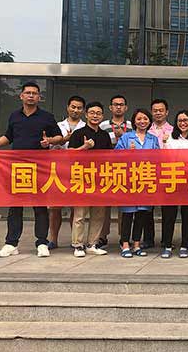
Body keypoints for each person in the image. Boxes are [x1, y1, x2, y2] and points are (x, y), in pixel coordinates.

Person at [0, 82, 63, 258]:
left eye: (34, 93)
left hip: (39, 168)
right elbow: (9, 136)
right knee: (15, 206)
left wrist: (49, 141)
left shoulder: (46, 117)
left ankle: (42, 242)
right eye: (28, 93)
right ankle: (11, 243)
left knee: (40, 206)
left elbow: (59, 137)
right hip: (18, 167)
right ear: (21, 96)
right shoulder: (14, 116)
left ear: (39, 97)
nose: (31, 96)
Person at [67, 101, 112, 258]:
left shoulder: (105, 135)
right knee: (80, 214)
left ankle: (92, 244)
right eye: (92, 113)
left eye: (98, 113)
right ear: (86, 115)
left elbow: (110, 158)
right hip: (82, 178)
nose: (95, 116)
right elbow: (69, 154)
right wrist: (84, 148)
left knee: (98, 214)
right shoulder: (78, 134)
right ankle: (78, 245)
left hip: (100, 178)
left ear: (102, 116)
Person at [115, 108, 160, 258]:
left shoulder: (153, 139)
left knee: (141, 214)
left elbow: (158, 158)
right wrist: (128, 152)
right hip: (129, 180)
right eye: (139, 119)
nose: (142, 121)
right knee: (128, 214)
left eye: (145, 119)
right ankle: (125, 244)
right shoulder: (126, 137)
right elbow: (116, 156)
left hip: (146, 180)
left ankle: (136, 244)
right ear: (134, 121)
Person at [160, 110, 188, 259]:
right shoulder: (169, 137)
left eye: (186, 120)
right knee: (169, 215)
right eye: (180, 121)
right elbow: (164, 157)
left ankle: (184, 245)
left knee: (187, 214)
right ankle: (167, 245)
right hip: (171, 180)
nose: (183, 123)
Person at [48, 95, 86, 250]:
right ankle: (53, 239)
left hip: (78, 170)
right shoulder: (57, 126)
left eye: (79, 108)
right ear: (68, 107)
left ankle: (74, 240)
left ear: (83, 110)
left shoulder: (86, 127)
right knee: (55, 208)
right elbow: (50, 146)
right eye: (73, 107)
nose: (75, 110)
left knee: (75, 208)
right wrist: (63, 140)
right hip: (58, 170)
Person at [97, 94, 133, 249]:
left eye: (121, 104)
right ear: (110, 107)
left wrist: (123, 137)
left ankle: (123, 236)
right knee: (104, 205)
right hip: (107, 169)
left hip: (126, 169)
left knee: (124, 205)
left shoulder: (132, 125)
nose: (118, 107)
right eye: (115, 104)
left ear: (126, 107)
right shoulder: (102, 125)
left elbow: (135, 143)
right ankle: (102, 236)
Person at [143, 99, 174, 249]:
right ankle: (148, 239)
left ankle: (166, 240)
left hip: (168, 172)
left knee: (167, 209)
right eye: (155, 110)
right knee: (147, 208)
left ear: (167, 112)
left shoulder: (174, 130)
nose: (158, 113)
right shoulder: (145, 130)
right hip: (149, 172)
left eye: (161, 110)